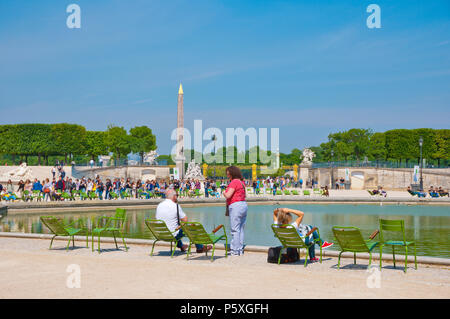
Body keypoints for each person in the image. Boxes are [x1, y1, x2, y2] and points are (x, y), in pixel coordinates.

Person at [223, 166, 248, 256]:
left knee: (235, 229)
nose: (227, 175)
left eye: (228, 174)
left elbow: (228, 195)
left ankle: (234, 250)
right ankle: (240, 250)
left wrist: (224, 193)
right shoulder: (242, 182)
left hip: (235, 205)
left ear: (232, 173)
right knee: (241, 229)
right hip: (243, 205)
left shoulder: (234, 182)